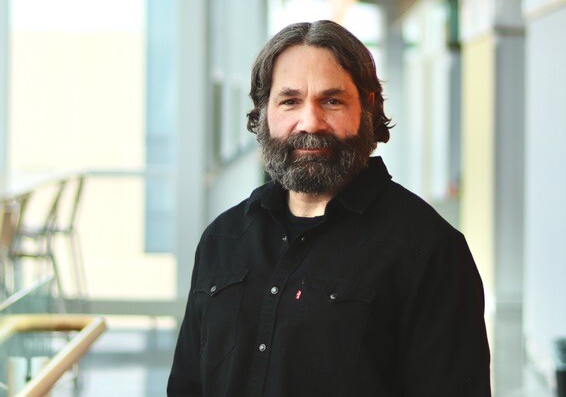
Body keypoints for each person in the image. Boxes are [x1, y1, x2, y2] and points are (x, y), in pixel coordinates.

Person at [167, 20, 491, 396]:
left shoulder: (429, 250)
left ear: (368, 108)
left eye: (332, 101)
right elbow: (187, 385)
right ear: (263, 112)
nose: (310, 122)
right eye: (289, 101)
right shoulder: (222, 239)